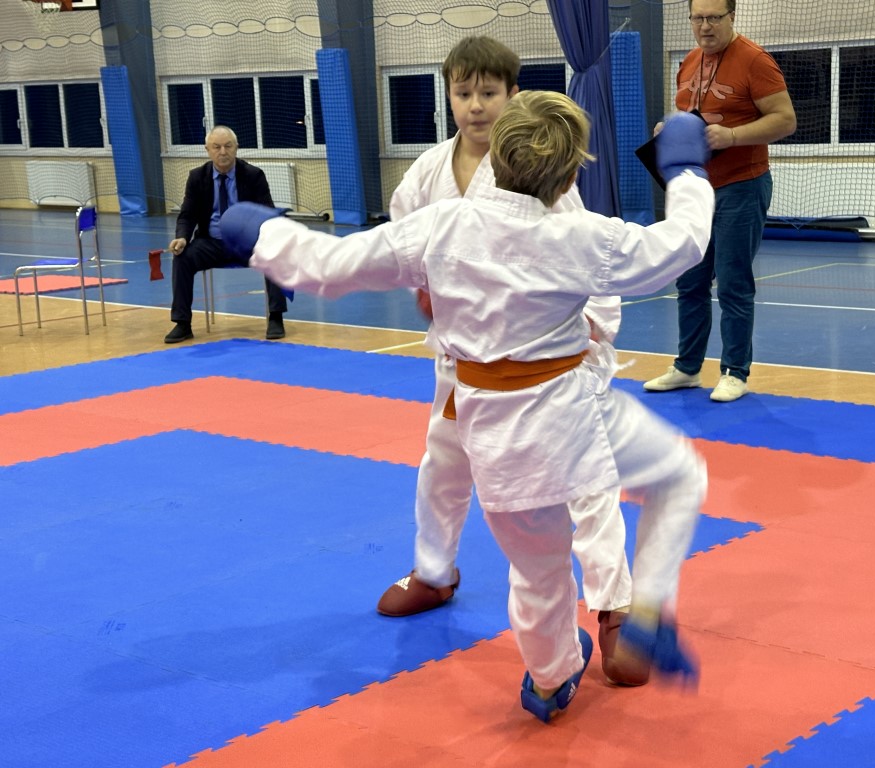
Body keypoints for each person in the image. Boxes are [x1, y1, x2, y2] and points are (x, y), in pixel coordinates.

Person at [220, 92, 714, 722]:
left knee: (537, 571)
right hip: (574, 413)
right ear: (568, 178)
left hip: (494, 430)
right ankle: (646, 609)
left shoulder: (441, 226)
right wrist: (686, 173)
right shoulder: (582, 235)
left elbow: (331, 265)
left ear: (495, 159)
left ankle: (549, 681)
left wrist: (264, 234)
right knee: (678, 476)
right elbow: (683, 242)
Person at [375, 36, 646, 687]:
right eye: (463, 93)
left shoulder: (539, 171)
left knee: (586, 485)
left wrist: (593, 335)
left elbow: (590, 256)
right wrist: (421, 284)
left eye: (488, 93)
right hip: (464, 362)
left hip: (555, 365)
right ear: (449, 95)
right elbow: (400, 238)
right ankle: (434, 572)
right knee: (442, 466)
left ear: (512, 95)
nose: (475, 106)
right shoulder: (429, 172)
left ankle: (616, 609)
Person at [644, 0, 796, 401]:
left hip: (741, 186)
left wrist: (732, 136)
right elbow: (692, 116)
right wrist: (671, 131)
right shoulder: (690, 61)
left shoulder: (755, 60)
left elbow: (785, 119)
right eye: (698, 18)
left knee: (732, 283)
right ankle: (687, 367)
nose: (705, 26)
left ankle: (734, 371)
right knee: (690, 280)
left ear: (732, 17)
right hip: (696, 190)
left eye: (714, 18)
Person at [163, 125, 290, 343]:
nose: (223, 152)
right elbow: (187, 215)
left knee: (274, 253)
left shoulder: (253, 175)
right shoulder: (197, 177)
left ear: (236, 148)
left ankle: (276, 317)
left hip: (246, 244)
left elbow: (267, 213)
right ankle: (182, 323)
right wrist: (182, 237)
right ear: (208, 150)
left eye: (228, 146)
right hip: (210, 243)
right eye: (217, 147)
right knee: (182, 258)